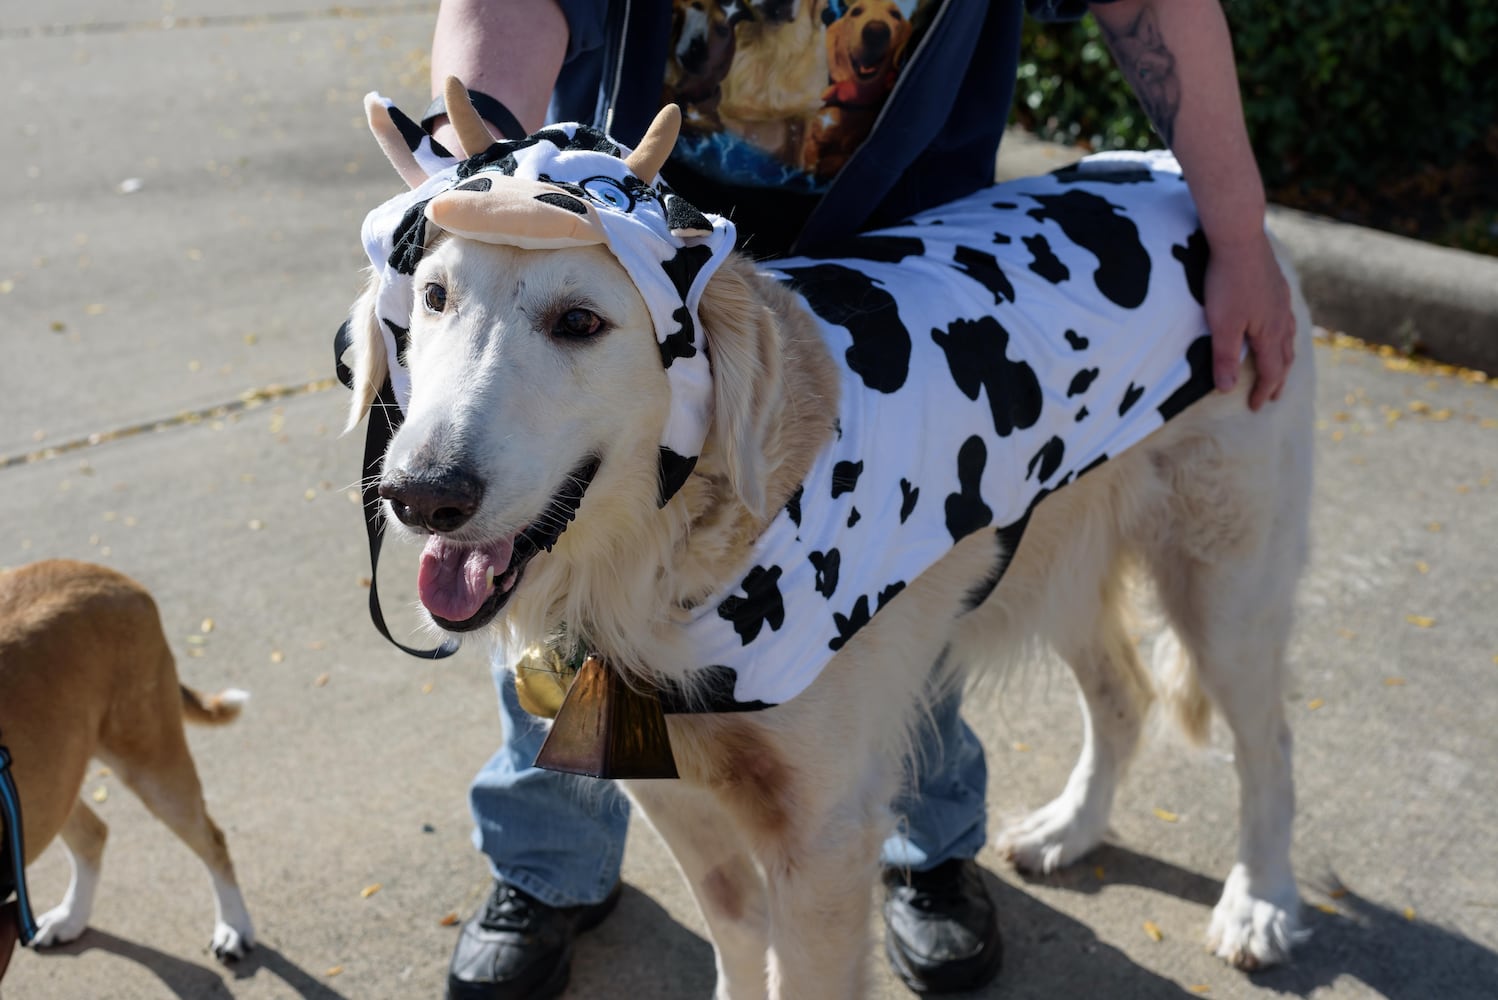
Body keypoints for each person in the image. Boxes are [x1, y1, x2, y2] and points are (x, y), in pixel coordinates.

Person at [418, 2, 1296, 997]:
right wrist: (476, 190)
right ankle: (548, 868)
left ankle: (1228, 837)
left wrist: (1236, 234)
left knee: (858, 716)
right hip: (608, 242)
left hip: (890, 257)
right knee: (575, 672)